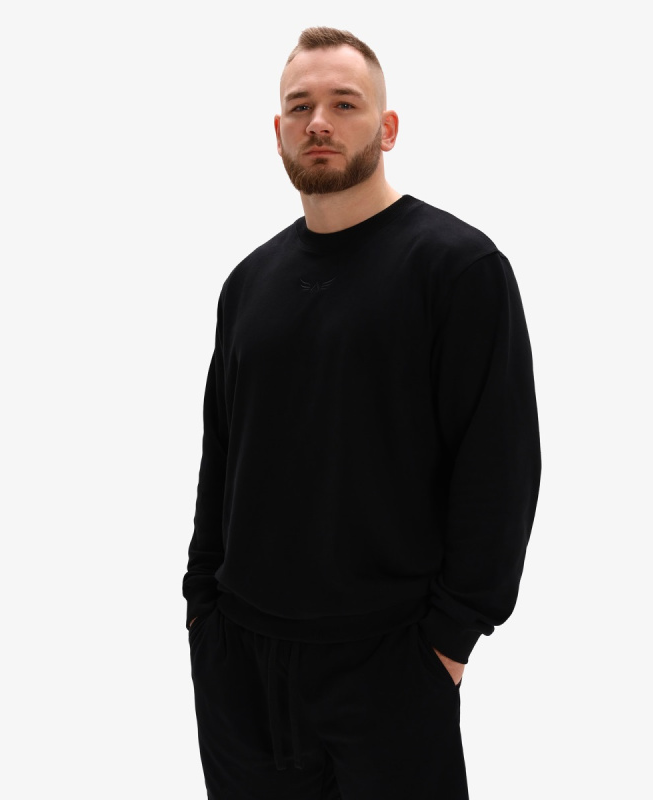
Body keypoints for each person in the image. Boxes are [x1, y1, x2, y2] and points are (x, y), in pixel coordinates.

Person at [182, 26, 541, 800]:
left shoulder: (457, 268)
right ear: (277, 129)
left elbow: (499, 466)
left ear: (388, 127)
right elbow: (224, 457)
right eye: (299, 106)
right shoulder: (249, 283)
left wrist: (449, 640)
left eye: (344, 103)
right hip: (241, 666)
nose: (319, 121)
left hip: (390, 666)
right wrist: (201, 608)